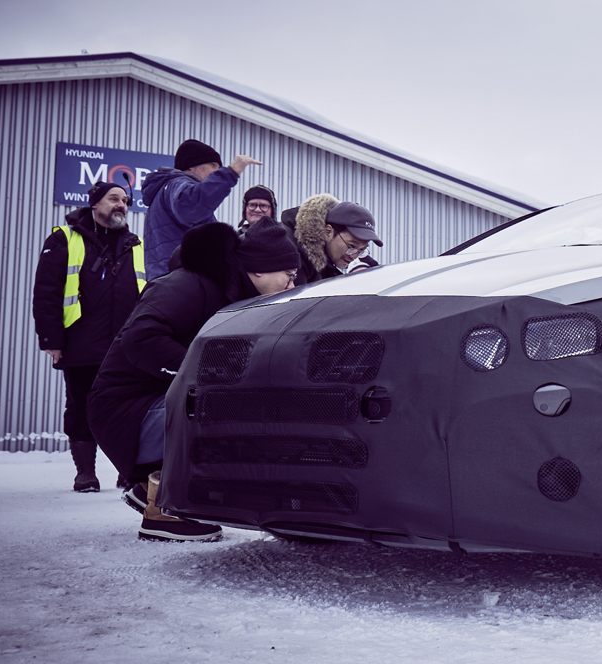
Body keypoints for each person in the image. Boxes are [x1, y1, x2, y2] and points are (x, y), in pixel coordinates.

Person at [88, 217, 300, 541]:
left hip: (149, 408)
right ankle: (163, 513)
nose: (292, 285)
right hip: (125, 413)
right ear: (260, 270)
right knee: (232, 408)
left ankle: (152, 487)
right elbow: (140, 339)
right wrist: (203, 377)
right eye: (289, 275)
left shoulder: (233, 297)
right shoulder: (187, 284)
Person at [32, 182, 145, 493]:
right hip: (81, 343)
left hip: (125, 346)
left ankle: (129, 471)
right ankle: (85, 473)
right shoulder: (64, 239)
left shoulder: (135, 244)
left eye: (124, 200)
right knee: (81, 406)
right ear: (95, 204)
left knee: (129, 409)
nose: (121, 205)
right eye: (113, 199)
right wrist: (51, 341)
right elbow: (46, 293)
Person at [140, 139, 261, 280]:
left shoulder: (166, 191)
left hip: (172, 282)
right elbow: (190, 208)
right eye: (213, 165)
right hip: (181, 283)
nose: (217, 171)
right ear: (191, 166)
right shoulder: (176, 183)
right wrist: (230, 173)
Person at [280, 195, 382, 285]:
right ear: (328, 231)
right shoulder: (291, 251)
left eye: (361, 250)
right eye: (351, 246)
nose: (354, 256)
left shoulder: (325, 260)